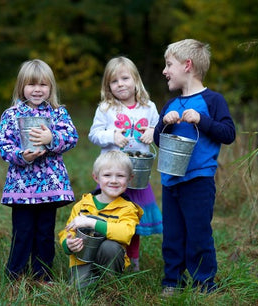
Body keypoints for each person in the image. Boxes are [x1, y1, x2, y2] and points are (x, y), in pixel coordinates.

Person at [153, 39, 236, 296]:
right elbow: (158, 139)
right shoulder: (170, 105)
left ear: (187, 65)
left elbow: (228, 133)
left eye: (169, 65)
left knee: (198, 233)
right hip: (170, 180)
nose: (165, 71)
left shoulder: (212, 100)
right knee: (173, 234)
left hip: (198, 180)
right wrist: (163, 124)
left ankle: (203, 283)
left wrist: (202, 120)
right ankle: (172, 281)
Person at [0, 59, 78, 282]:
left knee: (44, 232)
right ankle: (15, 275)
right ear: (22, 86)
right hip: (21, 185)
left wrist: (52, 139)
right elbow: (3, 144)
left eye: (43, 85)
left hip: (50, 184)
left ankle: (43, 275)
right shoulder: (12, 114)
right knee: (22, 232)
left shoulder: (58, 113)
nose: (37, 89)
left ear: (50, 87)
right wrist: (21, 156)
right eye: (31, 84)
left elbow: (71, 138)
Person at [88, 56, 163, 271]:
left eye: (125, 78)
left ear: (136, 80)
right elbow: (94, 134)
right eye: (114, 81)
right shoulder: (106, 108)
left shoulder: (148, 107)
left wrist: (152, 131)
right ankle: (107, 259)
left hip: (137, 176)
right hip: (112, 175)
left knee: (133, 223)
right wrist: (112, 135)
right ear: (108, 86)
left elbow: (160, 130)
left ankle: (133, 263)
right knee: (110, 218)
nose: (120, 84)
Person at [58, 151, 143, 288]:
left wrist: (91, 222)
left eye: (120, 176)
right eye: (107, 175)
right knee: (79, 291)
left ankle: (110, 284)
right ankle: (87, 280)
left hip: (109, 259)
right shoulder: (83, 205)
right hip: (82, 259)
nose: (114, 180)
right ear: (96, 177)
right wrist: (68, 244)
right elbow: (67, 231)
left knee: (109, 246)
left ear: (130, 179)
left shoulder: (128, 208)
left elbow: (126, 233)